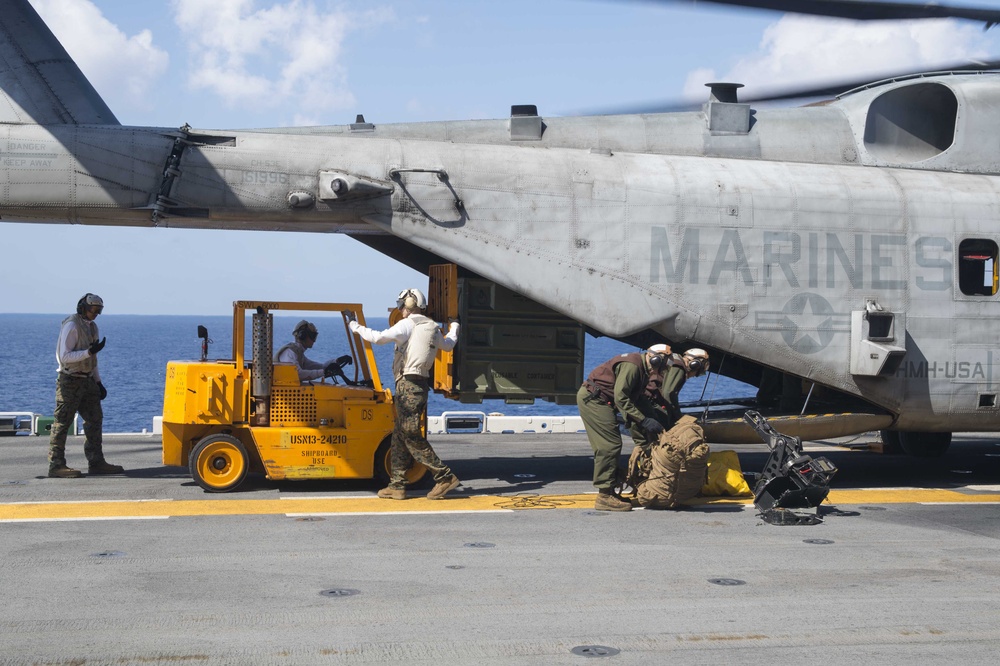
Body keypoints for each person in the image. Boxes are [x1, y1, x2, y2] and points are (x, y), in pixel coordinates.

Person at [343, 289, 460, 500]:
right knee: (399, 434)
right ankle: (397, 485)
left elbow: (377, 338)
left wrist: (354, 325)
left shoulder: (408, 324)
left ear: (409, 304)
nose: (400, 309)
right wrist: (455, 326)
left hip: (408, 385)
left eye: (401, 305)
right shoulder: (432, 327)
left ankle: (444, 477)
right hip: (419, 385)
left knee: (410, 434)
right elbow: (449, 344)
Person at [576, 345, 677, 511]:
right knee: (609, 446)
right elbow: (621, 398)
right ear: (655, 360)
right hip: (594, 400)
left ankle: (611, 487)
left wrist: (654, 420)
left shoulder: (643, 370)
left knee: (613, 444)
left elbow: (638, 398)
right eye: (662, 366)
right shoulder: (633, 366)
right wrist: (644, 421)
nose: (662, 371)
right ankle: (604, 496)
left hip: (604, 401)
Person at [47, 293, 124, 478]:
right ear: (83, 307)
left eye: (99, 310)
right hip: (70, 380)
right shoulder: (72, 326)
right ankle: (56, 465)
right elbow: (63, 357)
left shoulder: (92, 327)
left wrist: (98, 382)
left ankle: (96, 462)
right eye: (93, 310)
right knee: (62, 423)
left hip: (87, 380)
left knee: (95, 420)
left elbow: (93, 359)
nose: (95, 314)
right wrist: (88, 352)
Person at [637, 346, 711, 435]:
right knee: (667, 429)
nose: (695, 375)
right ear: (694, 364)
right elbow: (668, 393)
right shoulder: (679, 368)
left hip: (646, 397)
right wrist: (677, 416)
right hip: (650, 400)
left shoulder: (675, 362)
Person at [274, 320, 352, 383]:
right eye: (313, 336)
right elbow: (298, 374)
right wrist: (324, 372)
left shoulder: (298, 353)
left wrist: (337, 361)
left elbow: (320, 367)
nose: (314, 341)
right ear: (303, 336)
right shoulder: (289, 353)